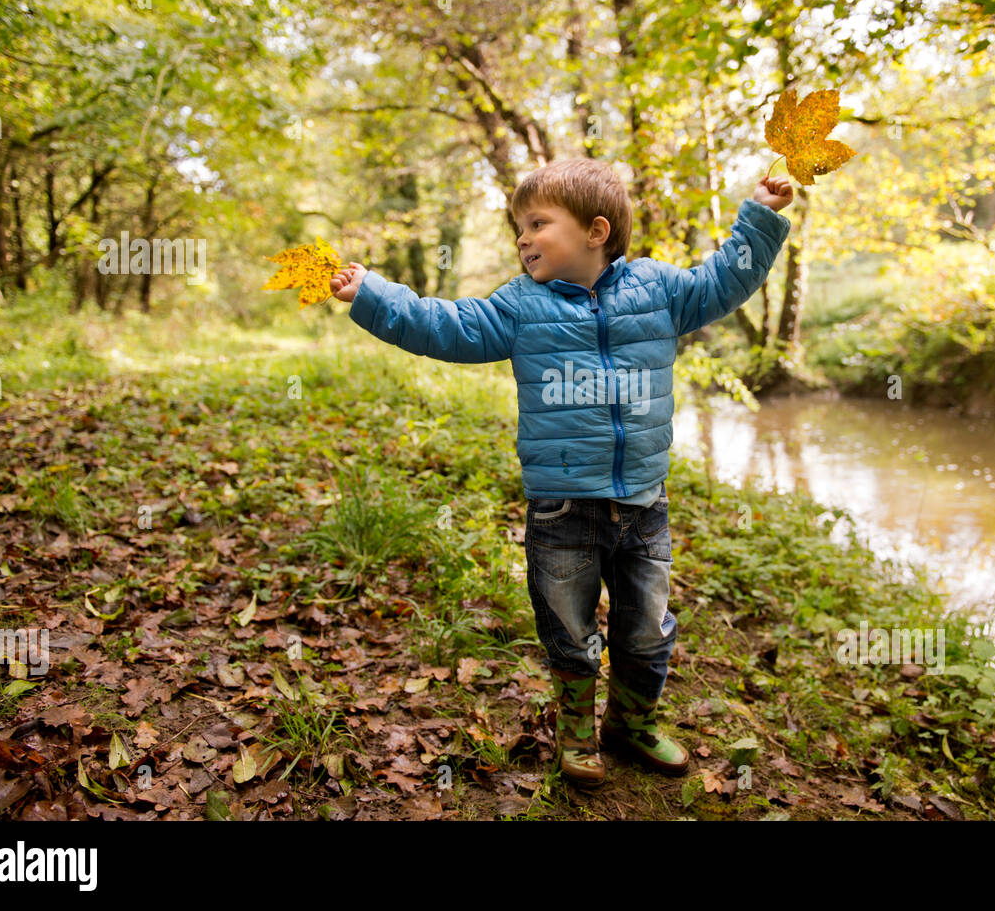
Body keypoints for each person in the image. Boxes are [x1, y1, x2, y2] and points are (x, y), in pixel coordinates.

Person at [331, 157, 793, 787]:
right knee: (570, 631)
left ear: (596, 231)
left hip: (643, 504)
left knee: (647, 629)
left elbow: (724, 283)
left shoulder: (659, 292)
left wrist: (759, 216)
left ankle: (631, 723)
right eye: (518, 226)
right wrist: (375, 293)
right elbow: (447, 326)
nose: (522, 238)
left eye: (537, 223)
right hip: (562, 509)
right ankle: (576, 735)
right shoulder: (520, 307)